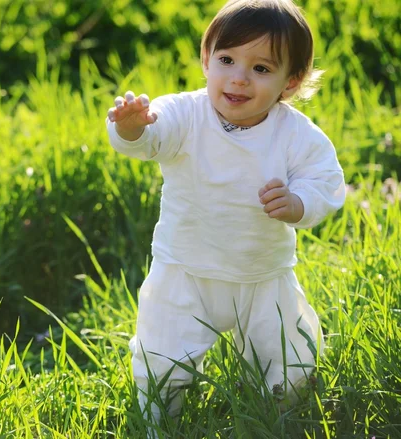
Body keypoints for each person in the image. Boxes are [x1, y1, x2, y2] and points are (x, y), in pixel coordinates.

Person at [105, 0, 346, 432]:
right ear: (206, 59)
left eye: (261, 69)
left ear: (290, 83)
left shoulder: (295, 135)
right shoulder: (185, 113)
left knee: (286, 359)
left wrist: (298, 202)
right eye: (227, 59)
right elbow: (151, 138)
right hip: (184, 268)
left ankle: (279, 416)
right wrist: (131, 129)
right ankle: (160, 420)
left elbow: (325, 181)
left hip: (261, 274)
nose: (238, 77)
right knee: (162, 357)